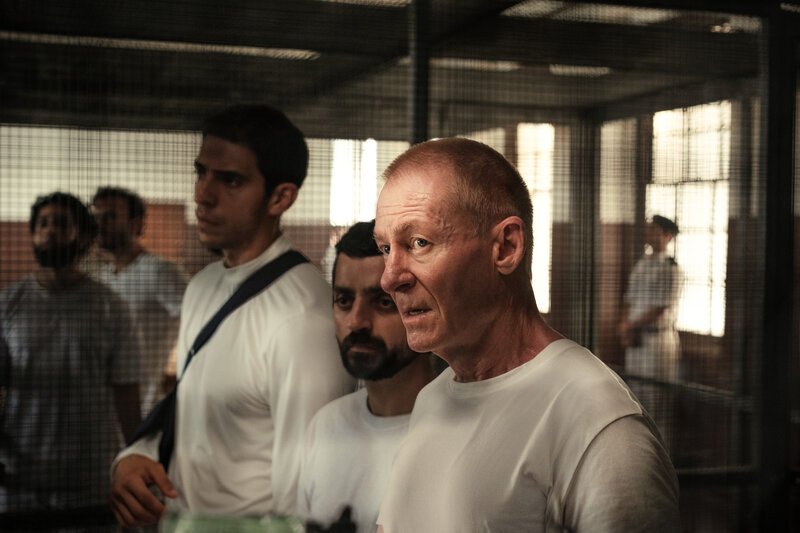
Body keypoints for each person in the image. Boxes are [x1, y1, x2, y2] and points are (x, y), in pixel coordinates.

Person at [372, 138, 681, 532]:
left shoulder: (598, 427)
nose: (389, 278)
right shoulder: (433, 399)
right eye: (386, 248)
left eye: (419, 243)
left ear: (506, 247)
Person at [109, 105, 355, 527]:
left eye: (230, 180)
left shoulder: (304, 317)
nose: (202, 195)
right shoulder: (202, 286)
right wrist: (137, 453)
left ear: (280, 198)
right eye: (201, 173)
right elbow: (190, 407)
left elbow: (305, 498)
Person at [0, 192, 141, 515]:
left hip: (91, 479)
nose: (50, 231)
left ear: (85, 236)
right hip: (20, 478)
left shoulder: (112, 308)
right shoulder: (8, 304)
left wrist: (137, 457)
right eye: (42, 224)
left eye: (61, 224)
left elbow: (126, 393)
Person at [296, 220, 437, 533]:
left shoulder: (458, 433)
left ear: (422, 310)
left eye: (383, 302)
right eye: (344, 301)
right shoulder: (326, 426)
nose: (356, 322)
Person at [91, 186, 188, 416]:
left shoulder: (159, 271)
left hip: (147, 410)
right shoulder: (99, 277)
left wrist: (176, 370)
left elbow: (197, 321)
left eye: (110, 217)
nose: (100, 224)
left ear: (135, 224)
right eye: (96, 217)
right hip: (102, 413)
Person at [618, 214, 686, 454]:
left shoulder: (671, 269)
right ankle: (638, 452)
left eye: (654, 230)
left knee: (657, 399)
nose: (648, 233)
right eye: (647, 229)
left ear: (667, 235)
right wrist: (625, 326)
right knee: (636, 395)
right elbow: (629, 298)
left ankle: (659, 455)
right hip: (637, 340)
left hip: (658, 339)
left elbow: (660, 308)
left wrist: (630, 325)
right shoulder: (642, 263)